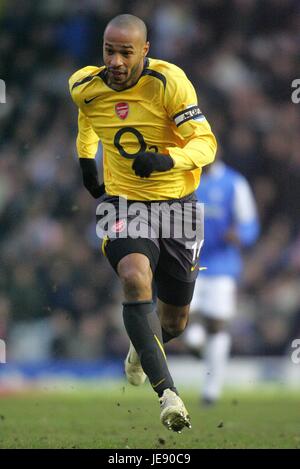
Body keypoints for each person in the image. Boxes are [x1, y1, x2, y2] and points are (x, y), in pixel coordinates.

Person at [69, 14, 217, 432]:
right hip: (123, 203)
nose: (115, 61)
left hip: (179, 207)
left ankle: (142, 348)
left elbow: (206, 142)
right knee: (134, 277)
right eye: (108, 50)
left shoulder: (169, 83)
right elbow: (88, 116)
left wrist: (168, 158)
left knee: (174, 323)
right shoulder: (83, 85)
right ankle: (168, 395)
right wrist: (86, 158)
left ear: (144, 51)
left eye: (125, 52)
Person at [184, 158, 259, 405]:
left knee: (216, 324)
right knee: (183, 317)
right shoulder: (183, 179)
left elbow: (250, 225)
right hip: (187, 261)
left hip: (221, 266)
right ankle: (194, 339)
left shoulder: (233, 183)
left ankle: (211, 389)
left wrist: (241, 235)